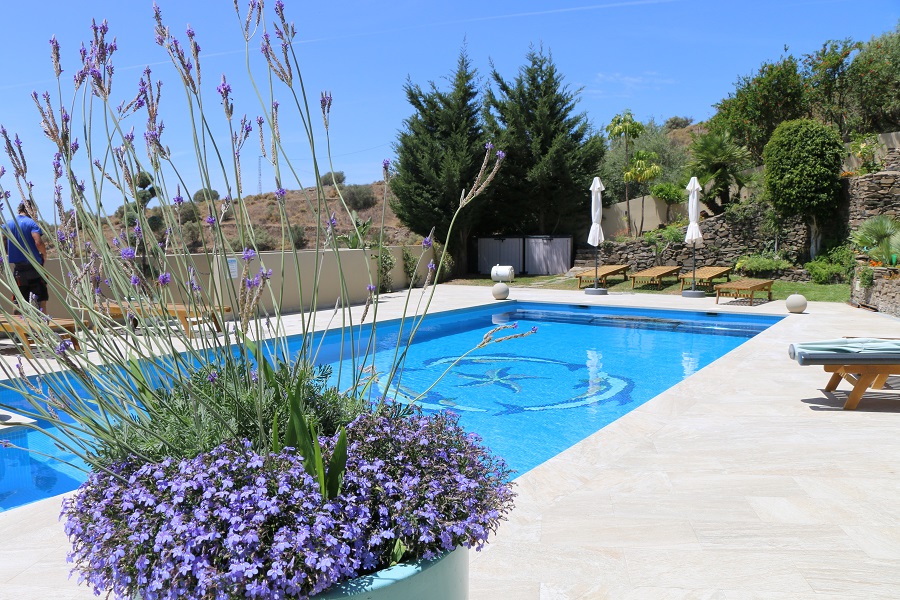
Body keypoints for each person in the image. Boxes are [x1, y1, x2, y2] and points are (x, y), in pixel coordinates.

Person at [3, 202, 48, 313]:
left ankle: (18, 329)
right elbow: (38, 242)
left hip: (18, 270)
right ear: (31, 210)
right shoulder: (32, 223)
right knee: (41, 300)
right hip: (34, 269)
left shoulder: (8, 224)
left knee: (18, 301)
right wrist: (44, 254)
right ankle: (43, 328)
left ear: (19, 210)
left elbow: (3, 239)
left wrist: (7, 251)